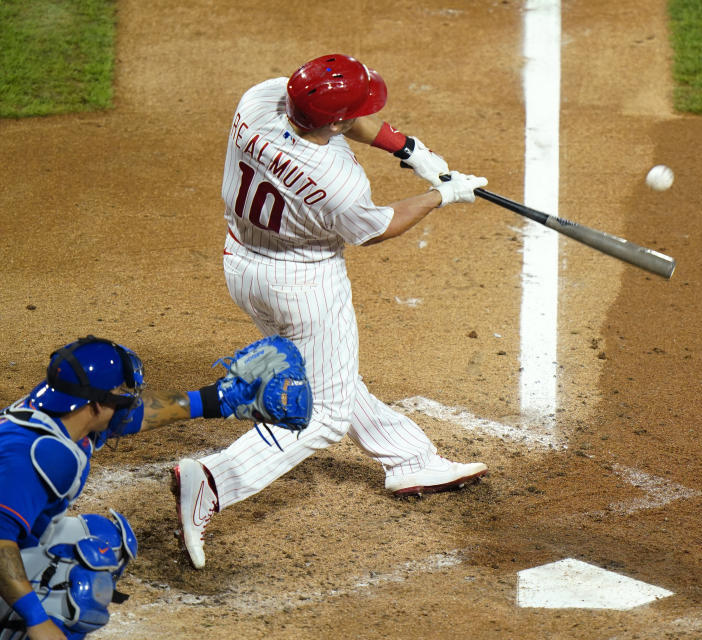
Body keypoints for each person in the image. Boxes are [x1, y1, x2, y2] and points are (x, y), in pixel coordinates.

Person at [171, 53, 490, 570]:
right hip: (303, 285)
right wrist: (441, 195)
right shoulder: (337, 180)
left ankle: (409, 458)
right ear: (335, 122)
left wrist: (409, 150)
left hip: (243, 263)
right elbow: (377, 227)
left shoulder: (259, 99)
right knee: (322, 415)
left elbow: (336, 117)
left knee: (331, 372)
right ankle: (211, 480)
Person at [0, 335, 309, 640]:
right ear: (94, 404)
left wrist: (220, 398)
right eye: (119, 393)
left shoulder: (59, 412)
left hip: (19, 535)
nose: (127, 401)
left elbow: (137, 414)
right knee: (80, 580)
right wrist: (37, 619)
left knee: (102, 539)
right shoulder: (40, 456)